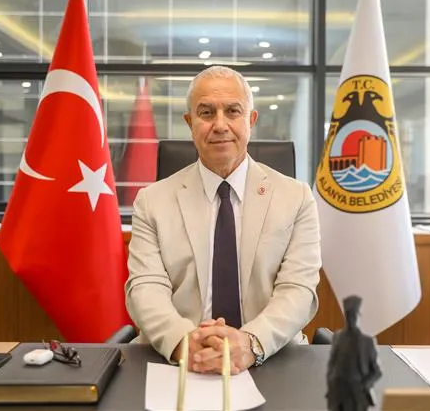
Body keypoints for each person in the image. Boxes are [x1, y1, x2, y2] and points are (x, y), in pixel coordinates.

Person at [125, 65, 322, 375]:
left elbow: (298, 289)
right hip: (176, 360)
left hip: (269, 356)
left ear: (251, 120)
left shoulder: (296, 197)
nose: (220, 125)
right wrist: (184, 343)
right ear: (190, 123)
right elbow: (146, 287)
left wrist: (250, 343)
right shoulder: (152, 201)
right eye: (206, 113)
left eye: (232, 111)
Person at [326, 296, 382, 411]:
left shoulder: (367, 341)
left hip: (358, 394)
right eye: (348, 316)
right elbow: (332, 364)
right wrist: (331, 384)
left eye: (353, 316)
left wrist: (364, 385)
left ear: (359, 316)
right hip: (339, 393)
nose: (350, 319)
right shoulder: (337, 337)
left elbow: (377, 371)